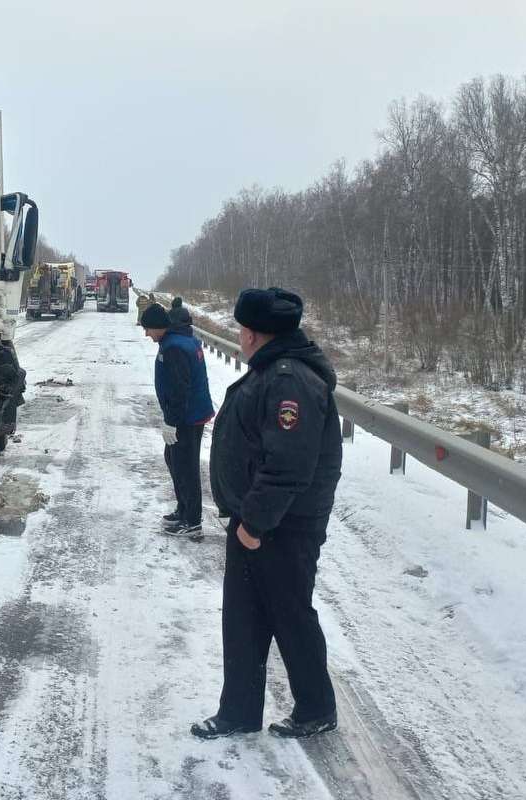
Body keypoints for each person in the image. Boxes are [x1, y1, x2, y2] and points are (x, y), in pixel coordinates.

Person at [192, 287, 343, 741]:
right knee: (244, 619)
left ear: (256, 334)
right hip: (257, 522)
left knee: (290, 616)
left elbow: (288, 465)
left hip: (282, 527)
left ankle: (316, 708)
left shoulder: (288, 380)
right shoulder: (273, 371)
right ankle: (238, 711)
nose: (239, 336)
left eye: (242, 328)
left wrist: (255, 524)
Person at [140, 300, 214, 539]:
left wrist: (172, 421)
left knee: (185, 467)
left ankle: (192, 521)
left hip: (187, 417)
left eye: (148, 329)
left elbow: (179, 389)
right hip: (190, 414)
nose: (146, 334)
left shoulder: (173, 347)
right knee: (174, 459)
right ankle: (184, 510)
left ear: (158, 326)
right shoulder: (181, 340)